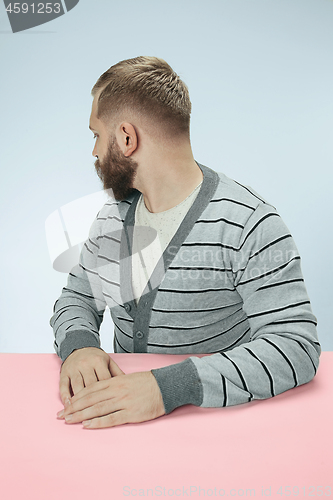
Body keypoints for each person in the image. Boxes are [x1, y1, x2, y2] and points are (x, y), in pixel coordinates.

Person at [51, 56, 321, 429]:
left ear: (127, 138)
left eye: (97, 134)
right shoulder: (114, 215)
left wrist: (168, 388)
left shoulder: (249, 223)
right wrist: (80, 346)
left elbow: (296, 346)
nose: (94, 152)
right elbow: (79, 296)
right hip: (121, 434)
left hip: (220, 431)